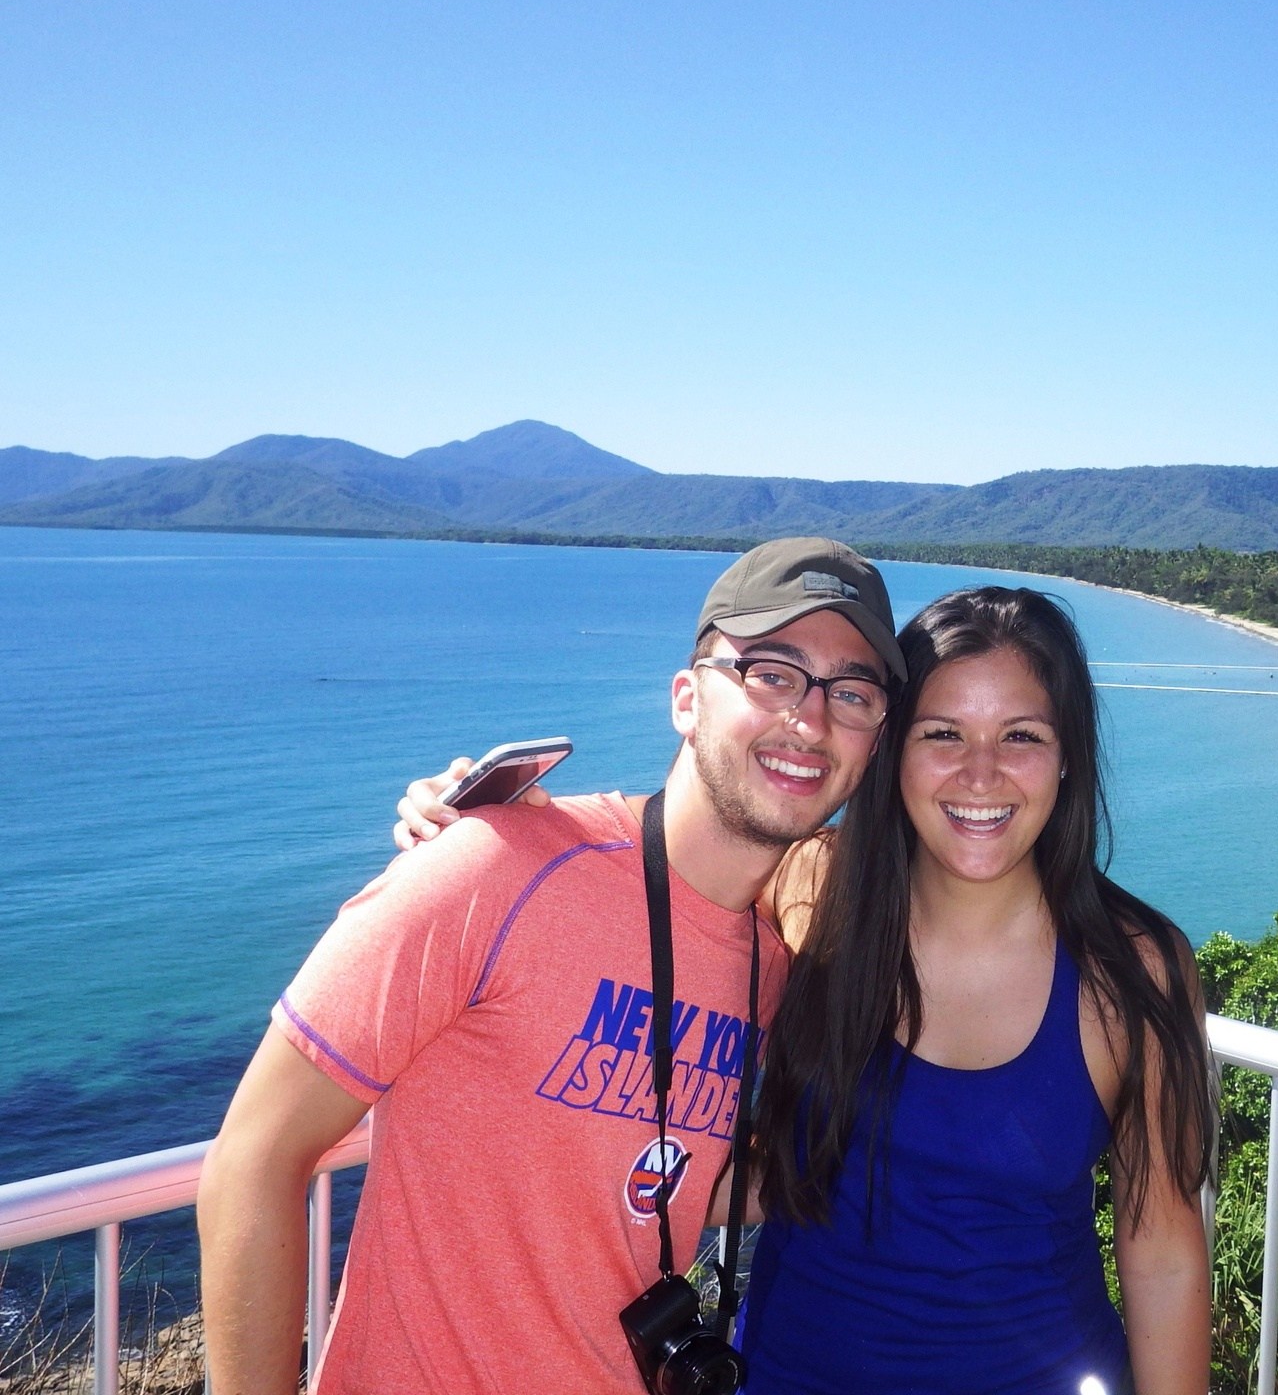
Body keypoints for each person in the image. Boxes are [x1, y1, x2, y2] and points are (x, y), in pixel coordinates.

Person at [400, 586, 1215, 1394]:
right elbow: (645, 873)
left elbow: (1166, 1255)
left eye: (1021, 736)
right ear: (894, 749)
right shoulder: (810, 889)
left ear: (1067, 754)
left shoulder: (1132, 969)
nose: (980, 773)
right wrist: (488, 823)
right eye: (942, 733)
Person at [197, 537, 905, 1394]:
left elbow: (674, 1168)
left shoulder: (773, 965)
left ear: (874, 742)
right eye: (772, 673)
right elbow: (255, 1157)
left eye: (854, 693)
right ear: (687, 698)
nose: (811, 718)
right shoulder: (497, 866)